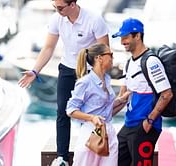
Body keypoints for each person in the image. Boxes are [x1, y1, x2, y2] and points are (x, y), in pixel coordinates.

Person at [17, 0, 109, 165]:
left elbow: (105, 52)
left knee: (90, 113)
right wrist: (34, 71)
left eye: (60, 7)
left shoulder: (94, 19)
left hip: (89, 73)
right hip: (67, 69)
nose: (57, 10)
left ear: (72, 4)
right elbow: (48, 48)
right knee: (63, 111)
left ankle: (90, 153)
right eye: (55, 7)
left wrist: (101, 79)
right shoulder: (56, 19)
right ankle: (62, 158)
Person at [112, 18, 173, 166]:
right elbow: (123, 95)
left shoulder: (151, 62)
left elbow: (167, 94)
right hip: (129, 124)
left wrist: (149, 121)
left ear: (137, 36)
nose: (122, 42)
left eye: (125, 37)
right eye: (121, 38)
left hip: (145, 126)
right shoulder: (129, 62)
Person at [66, 43, 130, 166]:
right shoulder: (85, 82)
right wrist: (92, 118)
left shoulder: (106, 79)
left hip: (109, 131)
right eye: (110, 54)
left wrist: (122, 100)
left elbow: (105, 110)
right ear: (99, 58)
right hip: (91, 133)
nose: (113, 57)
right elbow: (70, 110)